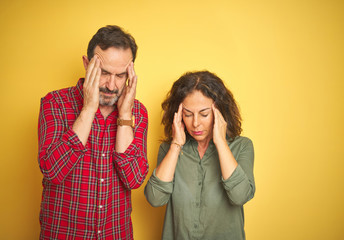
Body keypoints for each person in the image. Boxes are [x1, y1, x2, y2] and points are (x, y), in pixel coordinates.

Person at [38, 25, 148, 240]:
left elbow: (133, 179)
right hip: (64, 234)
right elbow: (52, 171)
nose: (111, 85)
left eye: (120, 75)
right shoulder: (55, 103)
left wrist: (124, 115)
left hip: (116, 234)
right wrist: (88, 108)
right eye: (104, 72)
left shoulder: (138, 112)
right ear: (87, 64)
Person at [144, 71, 255, 240]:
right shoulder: (168, 150)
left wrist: (221, 143)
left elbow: (240, 196)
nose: (195, 123)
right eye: (188, 114)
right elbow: (155, 199)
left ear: (220, 112)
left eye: (204, 114)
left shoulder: (242, 146)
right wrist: (175, 145)